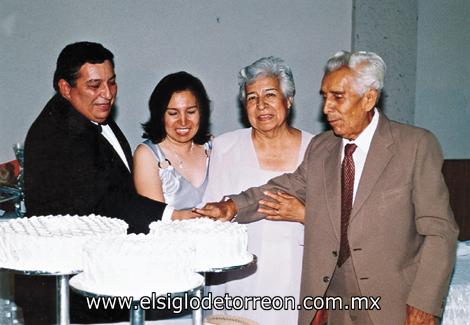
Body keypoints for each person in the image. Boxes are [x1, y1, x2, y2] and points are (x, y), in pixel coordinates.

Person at [196, 51, 458, 325]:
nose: (326, 109)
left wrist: (425, 304)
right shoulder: (322, 148)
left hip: (393, 305)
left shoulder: (414, 146)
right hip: (333, 306)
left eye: (337, 97)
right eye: (324, 96)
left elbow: (440, 232)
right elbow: (281, 187)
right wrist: (231, 206)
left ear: (369, 98)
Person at [21, 41, 192, 324]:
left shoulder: (87, 114)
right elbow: (104, 200)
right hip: (74, 294)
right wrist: (171, 215)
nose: (107, 94)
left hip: (96, 282)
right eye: (94, 85)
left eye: (112, 83)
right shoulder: (61, 134)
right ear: (65, 88)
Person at [202, 56, 313, 324]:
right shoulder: (225, 147)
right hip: (240, 280)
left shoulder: (318, 149)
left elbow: (340, 221)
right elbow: (211, 221)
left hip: (298, 280)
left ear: (289, 100)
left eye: (270, 95)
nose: (261, 105)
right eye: (252, 98)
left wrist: (304, 214)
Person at [134, 71, 212, 209]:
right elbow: (154, 218)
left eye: (191, 112)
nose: (183, 121)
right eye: (173, 113)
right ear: (160, 115)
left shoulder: (213, 147)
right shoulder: (147, 155)